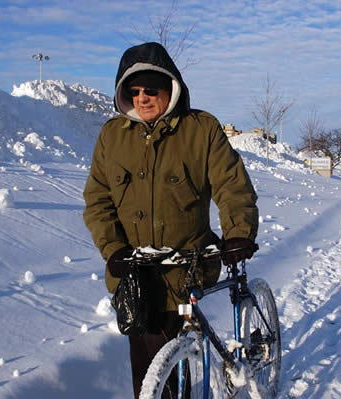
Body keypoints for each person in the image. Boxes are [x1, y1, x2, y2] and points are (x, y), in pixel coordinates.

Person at [83, 42, 258, 398]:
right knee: (147, 366)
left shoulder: (201, 129)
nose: (143, 98)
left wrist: (238, 233)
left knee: (167, 353)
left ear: (171, 87)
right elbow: (97, 200)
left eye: (151, 89)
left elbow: (231, 184)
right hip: (135, 270)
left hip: (189, 262)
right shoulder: (112, 136)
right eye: (133, 91)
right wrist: (113, 248)